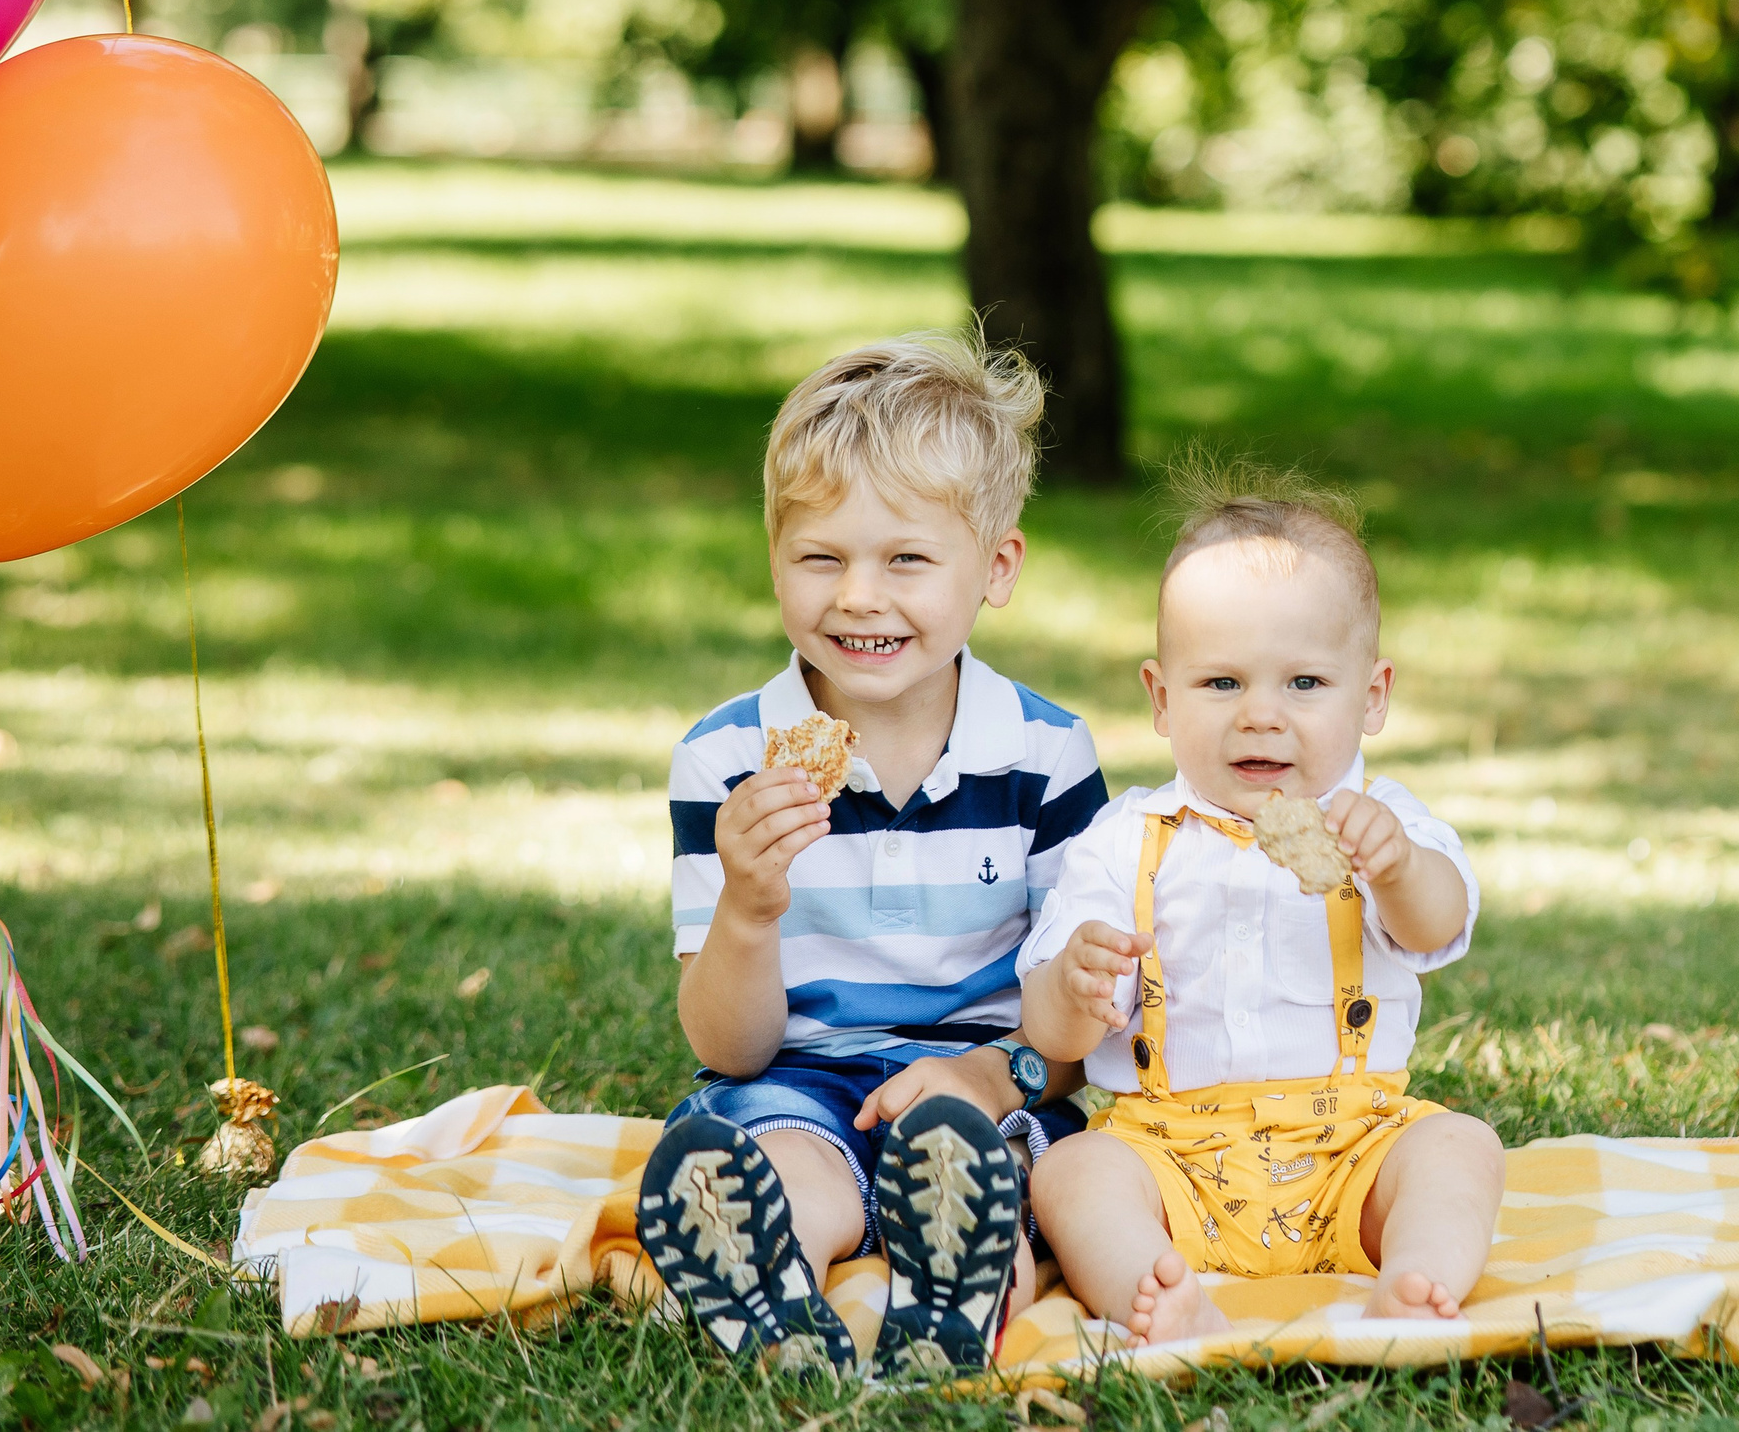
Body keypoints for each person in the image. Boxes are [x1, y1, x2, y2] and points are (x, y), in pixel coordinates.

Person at [639, 333, 1105, 1378]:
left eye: (905, 559)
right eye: (821, 558)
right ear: (774, 561)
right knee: (788, 1175)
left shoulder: (1044, 755)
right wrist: (749, 910)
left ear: (996, 568)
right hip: (798, 1082)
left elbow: (1084, 1004)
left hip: (986, 1087)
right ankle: (772, 1301)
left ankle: (965, 1300)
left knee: (1014, 1191)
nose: (858, 596)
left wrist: (998, 1072)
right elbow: (730, 1045)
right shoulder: (725, 762)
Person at [1018, 464, 1506, 1345]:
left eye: (1305, 684)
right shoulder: (1124, 837)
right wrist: (1073, 981)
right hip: (1170, 1153)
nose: (1261, 717)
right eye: (1222, 684)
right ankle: (1157, 1289)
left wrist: (1394, 869)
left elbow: (1438, 925)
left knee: (1458, 1145)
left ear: (1375, 694)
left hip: (1352, 1148)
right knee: (1073, 1171)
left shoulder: (1383, 825)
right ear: (1163, 699)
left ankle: (1414, 1274)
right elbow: (1053, 1037)